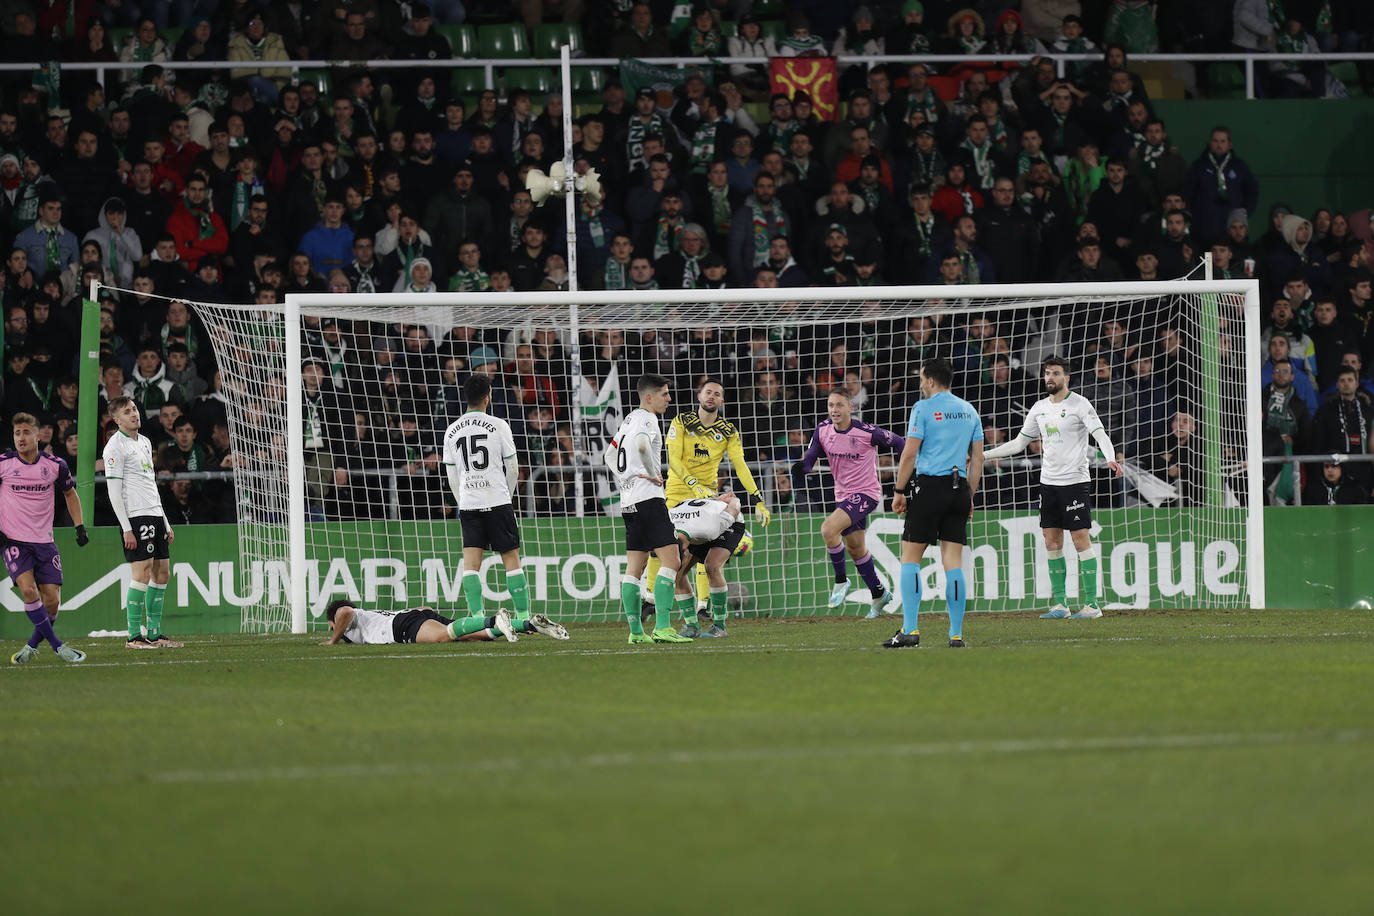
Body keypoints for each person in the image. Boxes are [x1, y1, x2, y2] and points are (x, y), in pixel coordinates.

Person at [983, 357, 1124, 619]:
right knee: (1051, 541)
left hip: (1075, 483)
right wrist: (984, 455)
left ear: (1066, 378)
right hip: (1048, 484)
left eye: (1055, 373)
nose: (1050, 377)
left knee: (1080, 540)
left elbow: (1100, 434)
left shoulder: (1080, 404)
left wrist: (1110, 457)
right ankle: (1061, 604)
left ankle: (1092, 604)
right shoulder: (1039, 408)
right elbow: (1018, 444)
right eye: (1047, 373)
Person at [441, 374, 569, 641]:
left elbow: (452, 475)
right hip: (498, 501)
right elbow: (513, 467)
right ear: (488, 397)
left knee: (470, 566)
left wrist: (462, 499)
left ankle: (476, 620)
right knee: (511, 561)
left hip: (469, 504)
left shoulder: (451, 431)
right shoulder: (498, 425)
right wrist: (507, 495)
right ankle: (523, 617)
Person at [648, 378, 770, 638]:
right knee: (673, 562)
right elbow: (673, 459)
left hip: (707, 502)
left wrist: (758, 498)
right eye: (708, 392)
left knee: (709, 563)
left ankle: (709, 614)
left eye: (717, 393)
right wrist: (693, 484)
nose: (712, 396)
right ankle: (683, 618)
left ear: (721, 401)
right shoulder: (681, 421)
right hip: (677, 498)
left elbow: (740, 466)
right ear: (699, 396)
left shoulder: (728, 431)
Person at [887, 359, 984, 649]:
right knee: (953, 562)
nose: (920, 383)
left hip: (929, 487)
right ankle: (955, 634)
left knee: (910, 557)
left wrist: (899, 490)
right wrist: (970, 495)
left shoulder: (923, 408)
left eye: (921, 378)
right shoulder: (969, 410)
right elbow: (977, 459)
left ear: (929, 381)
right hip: (959, 490)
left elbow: (909, 454)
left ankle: (911, 630)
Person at [792, 389, 905, 618]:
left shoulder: (867, 432)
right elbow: (810, 460)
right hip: (843, 495)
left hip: (867, 493)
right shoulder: (822, 430)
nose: (834, 410)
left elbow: (900, 442)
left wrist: (906, 475)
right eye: (831, 405)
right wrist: (799, 469)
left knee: (828, 529)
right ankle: (879, 593)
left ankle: (841, 581)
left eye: (839, 405)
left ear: (850, 408)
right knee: (855, 548)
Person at [605, 373, 693, 645]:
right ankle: (663, 628)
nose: (669, 399)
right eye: (665, 394)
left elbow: (608, 455)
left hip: (628, 502)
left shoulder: (628, 420)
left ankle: (635, 632)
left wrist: (625, 480)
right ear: (649, 397)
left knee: (635, 567)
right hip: (649, 500)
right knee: (673, 562)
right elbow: (643, 445)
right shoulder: (647, 419)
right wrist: (651, 473)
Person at [5, 412, 89, 665]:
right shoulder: (3, 463)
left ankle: (31, 646)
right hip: (13, 540)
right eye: (17, 433)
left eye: (26, 432)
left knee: (51, 601)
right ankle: (58, 646)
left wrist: (80, 526)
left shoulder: (55, 465)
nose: (21, 438)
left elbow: (70, 494)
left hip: (44, 540)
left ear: (38, 436)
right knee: (29, 590)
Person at [103, 395, 183, 648]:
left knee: (163, 572)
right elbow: (113, 491)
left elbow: (150, 484)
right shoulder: (114, 447)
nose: (134, 414)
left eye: (135, 409)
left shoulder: (146, 442)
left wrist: (165, 520)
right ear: (117, 420)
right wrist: (126, 527)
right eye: (127, 412)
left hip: (154, 514)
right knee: (142, 573)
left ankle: (155, 634)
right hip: (135, 516)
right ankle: (133, 636)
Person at [666, 493, 749, 639]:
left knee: (711, 566)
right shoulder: (665, 526)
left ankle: (719, 626)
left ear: (685, 549)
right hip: (696, 524)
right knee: (677, 572)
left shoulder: (708, 530)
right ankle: (692, 626)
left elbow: (735, 508)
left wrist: (733, 500)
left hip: (728, 524)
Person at [321, 600, 520, 645]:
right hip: (414, 615)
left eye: (333, 626)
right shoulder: (369, 615)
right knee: (468, 636)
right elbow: (423, 609)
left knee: (444, 637)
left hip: (399, 627)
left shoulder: (346, 615)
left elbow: (345, 612)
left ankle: (494, 619)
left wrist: (332, 640)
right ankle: (528, 625)